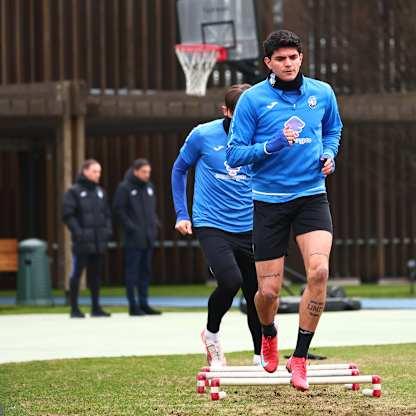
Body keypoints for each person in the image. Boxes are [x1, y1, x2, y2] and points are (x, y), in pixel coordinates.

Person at [226, 30, 343, 390]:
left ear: (301, 58)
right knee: (269, 293)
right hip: (269, 202)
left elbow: (333, 130)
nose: (288, 64)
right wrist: (271, 146)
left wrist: (329, 155)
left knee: (319, 272)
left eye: (293, 57)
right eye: (280, 59)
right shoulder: (253, 101)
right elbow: (235, 154)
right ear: (268, 63)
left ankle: (301, 357)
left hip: (310, 196)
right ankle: (268, 332)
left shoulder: (322, 93)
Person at [171, 84, 262, 367]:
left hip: (250, 225)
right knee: (230, 281)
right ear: (226, 111)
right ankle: (211, 336)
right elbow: (179, 169)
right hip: (212, 223)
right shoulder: (202, 135)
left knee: (257, 293)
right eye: (239, 115)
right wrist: (181, 213)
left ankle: (260, 355)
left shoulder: (262, 136)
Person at [62, 159, 112, 318]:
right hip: (82, 242)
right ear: (85, 171)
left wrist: (107, 231)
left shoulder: (100, 192)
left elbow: (107, 214)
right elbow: (68, 215)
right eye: (95, 171)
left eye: (99, 172)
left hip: (98, 242)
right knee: (77, 273)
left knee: (96, 275)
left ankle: (96, 308)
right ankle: (74, 308)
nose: (98, 175)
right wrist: (79, 233)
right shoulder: (74, 192)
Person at [113, 159, 161, 316]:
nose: (147, 175)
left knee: (145, 272)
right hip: (133, 239)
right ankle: (133, 306)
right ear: (135, 171)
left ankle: (144, 303)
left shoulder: (149, 188)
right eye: (144, 172)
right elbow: (118, 211)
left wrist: (155, 224)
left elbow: (151, 210)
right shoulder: (124, 188)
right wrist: (131, 228)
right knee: (132, 272)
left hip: (148, 237)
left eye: (149, 172)